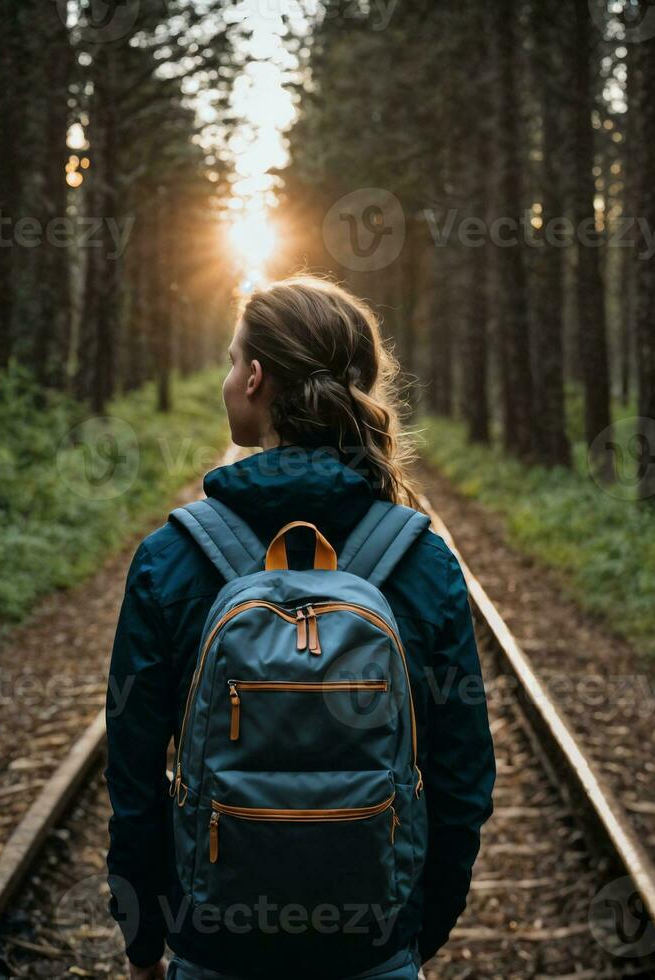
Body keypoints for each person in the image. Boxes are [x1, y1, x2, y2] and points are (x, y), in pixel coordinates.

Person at [105, 276, 496, 980]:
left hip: (214, 945)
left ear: (255, 380)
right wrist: (417, 926)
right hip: (374, 946)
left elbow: (134, 778)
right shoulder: (421, 557)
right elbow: (462, 775)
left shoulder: (172, 557)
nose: (228, 378)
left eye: (232, 362)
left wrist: (146, 943)